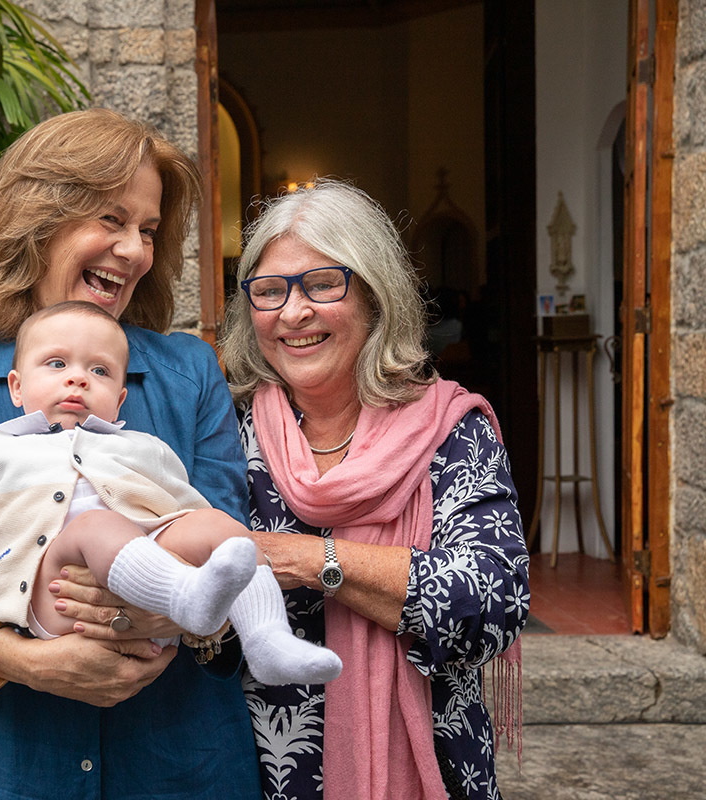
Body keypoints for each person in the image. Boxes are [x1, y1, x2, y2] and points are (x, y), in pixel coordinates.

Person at [0, 109, 260, 799]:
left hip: (178, 766)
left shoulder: (189, 371)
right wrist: (20, 658)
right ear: (37, 218)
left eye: (149, 231)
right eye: (111, 219)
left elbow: (228, 545)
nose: (133, 250)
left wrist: (177, 613)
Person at [219, 179, 529, 800]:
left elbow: (490, 599)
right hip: (264, 767)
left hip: (432, 761)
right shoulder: (229, 431)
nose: (293, 312)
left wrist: (310, 560)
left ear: (374, 294)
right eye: (270, 291)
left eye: (323, 283)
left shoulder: (450, 429)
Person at [0, 300, 343, 686]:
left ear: (120, 397)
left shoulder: (144, 447)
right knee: (96, 526)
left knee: (221, 527)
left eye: (100, 371)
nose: (77, 378)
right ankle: (185, 596)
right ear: (17, 388)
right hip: (51, 594)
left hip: (152, 597)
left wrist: (209, 543)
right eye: (56, 364)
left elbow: (184, 515)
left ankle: (267, 639)